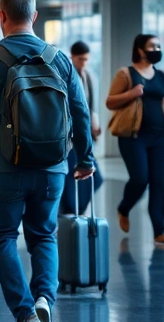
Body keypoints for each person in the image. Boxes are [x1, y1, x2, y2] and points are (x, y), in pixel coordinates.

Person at [0, 0, 94, 322]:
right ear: (35, 16)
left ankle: (25, 311)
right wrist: (85, 159)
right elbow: (81, 112)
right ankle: (45, 298)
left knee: (2, 238)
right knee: (44, 235)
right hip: (52, 167)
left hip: (3, 168)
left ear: (2, 16)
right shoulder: (60, 59)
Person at [107, 34, 164, 242]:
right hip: (133, 137)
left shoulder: (160, 75)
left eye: (158, 46)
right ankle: (124, 207)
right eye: (152, 46)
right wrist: (131, 93)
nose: (156, 49)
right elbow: (110, 102)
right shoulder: (126, 74)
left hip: (158, 137)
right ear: (140, 50)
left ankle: (159, 231)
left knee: (158, 182)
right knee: (140, 179)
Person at [60, 41, 104, 216]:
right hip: (69, 136)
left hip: (83, 132)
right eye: (81, 59)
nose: (84, 62)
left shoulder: (89, 76)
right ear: (73, 56)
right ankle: (70, 210)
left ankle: (76, 209)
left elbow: (90, 106)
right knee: (71, 174)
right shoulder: (66, 75)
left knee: (95, 177)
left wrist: (94, 123)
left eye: (86, 59)